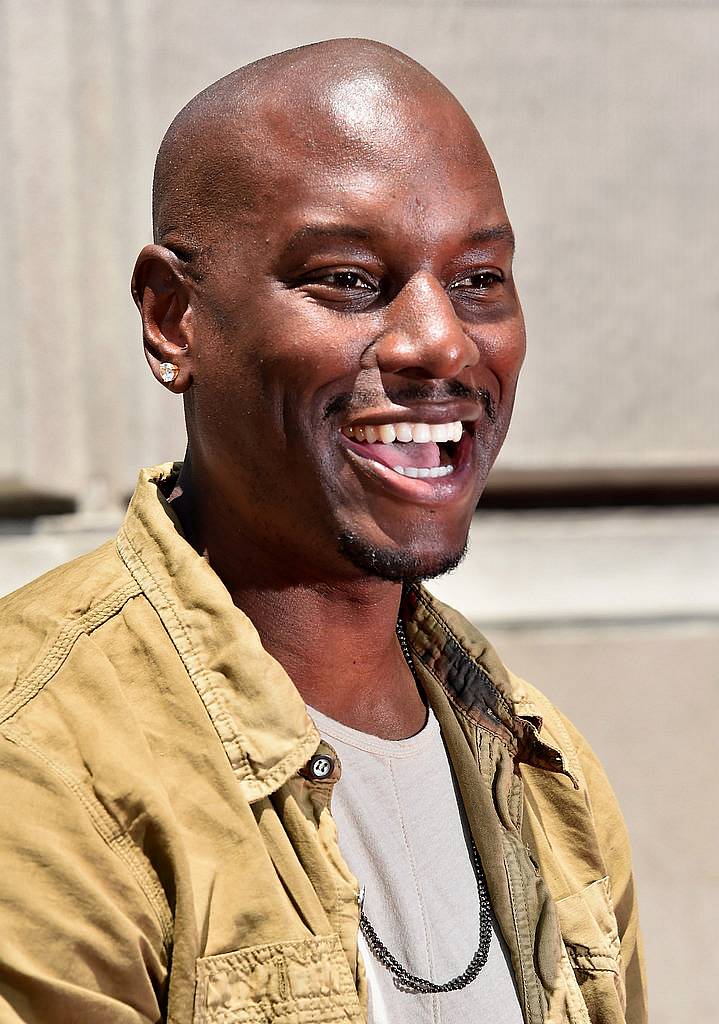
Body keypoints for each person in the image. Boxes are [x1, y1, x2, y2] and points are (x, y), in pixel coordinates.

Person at [0, 38, 647, 1024]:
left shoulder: (544, 774)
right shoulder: (39, 759)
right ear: (174, 319)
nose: (441, 341)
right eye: (348, 279)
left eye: (479, 278)